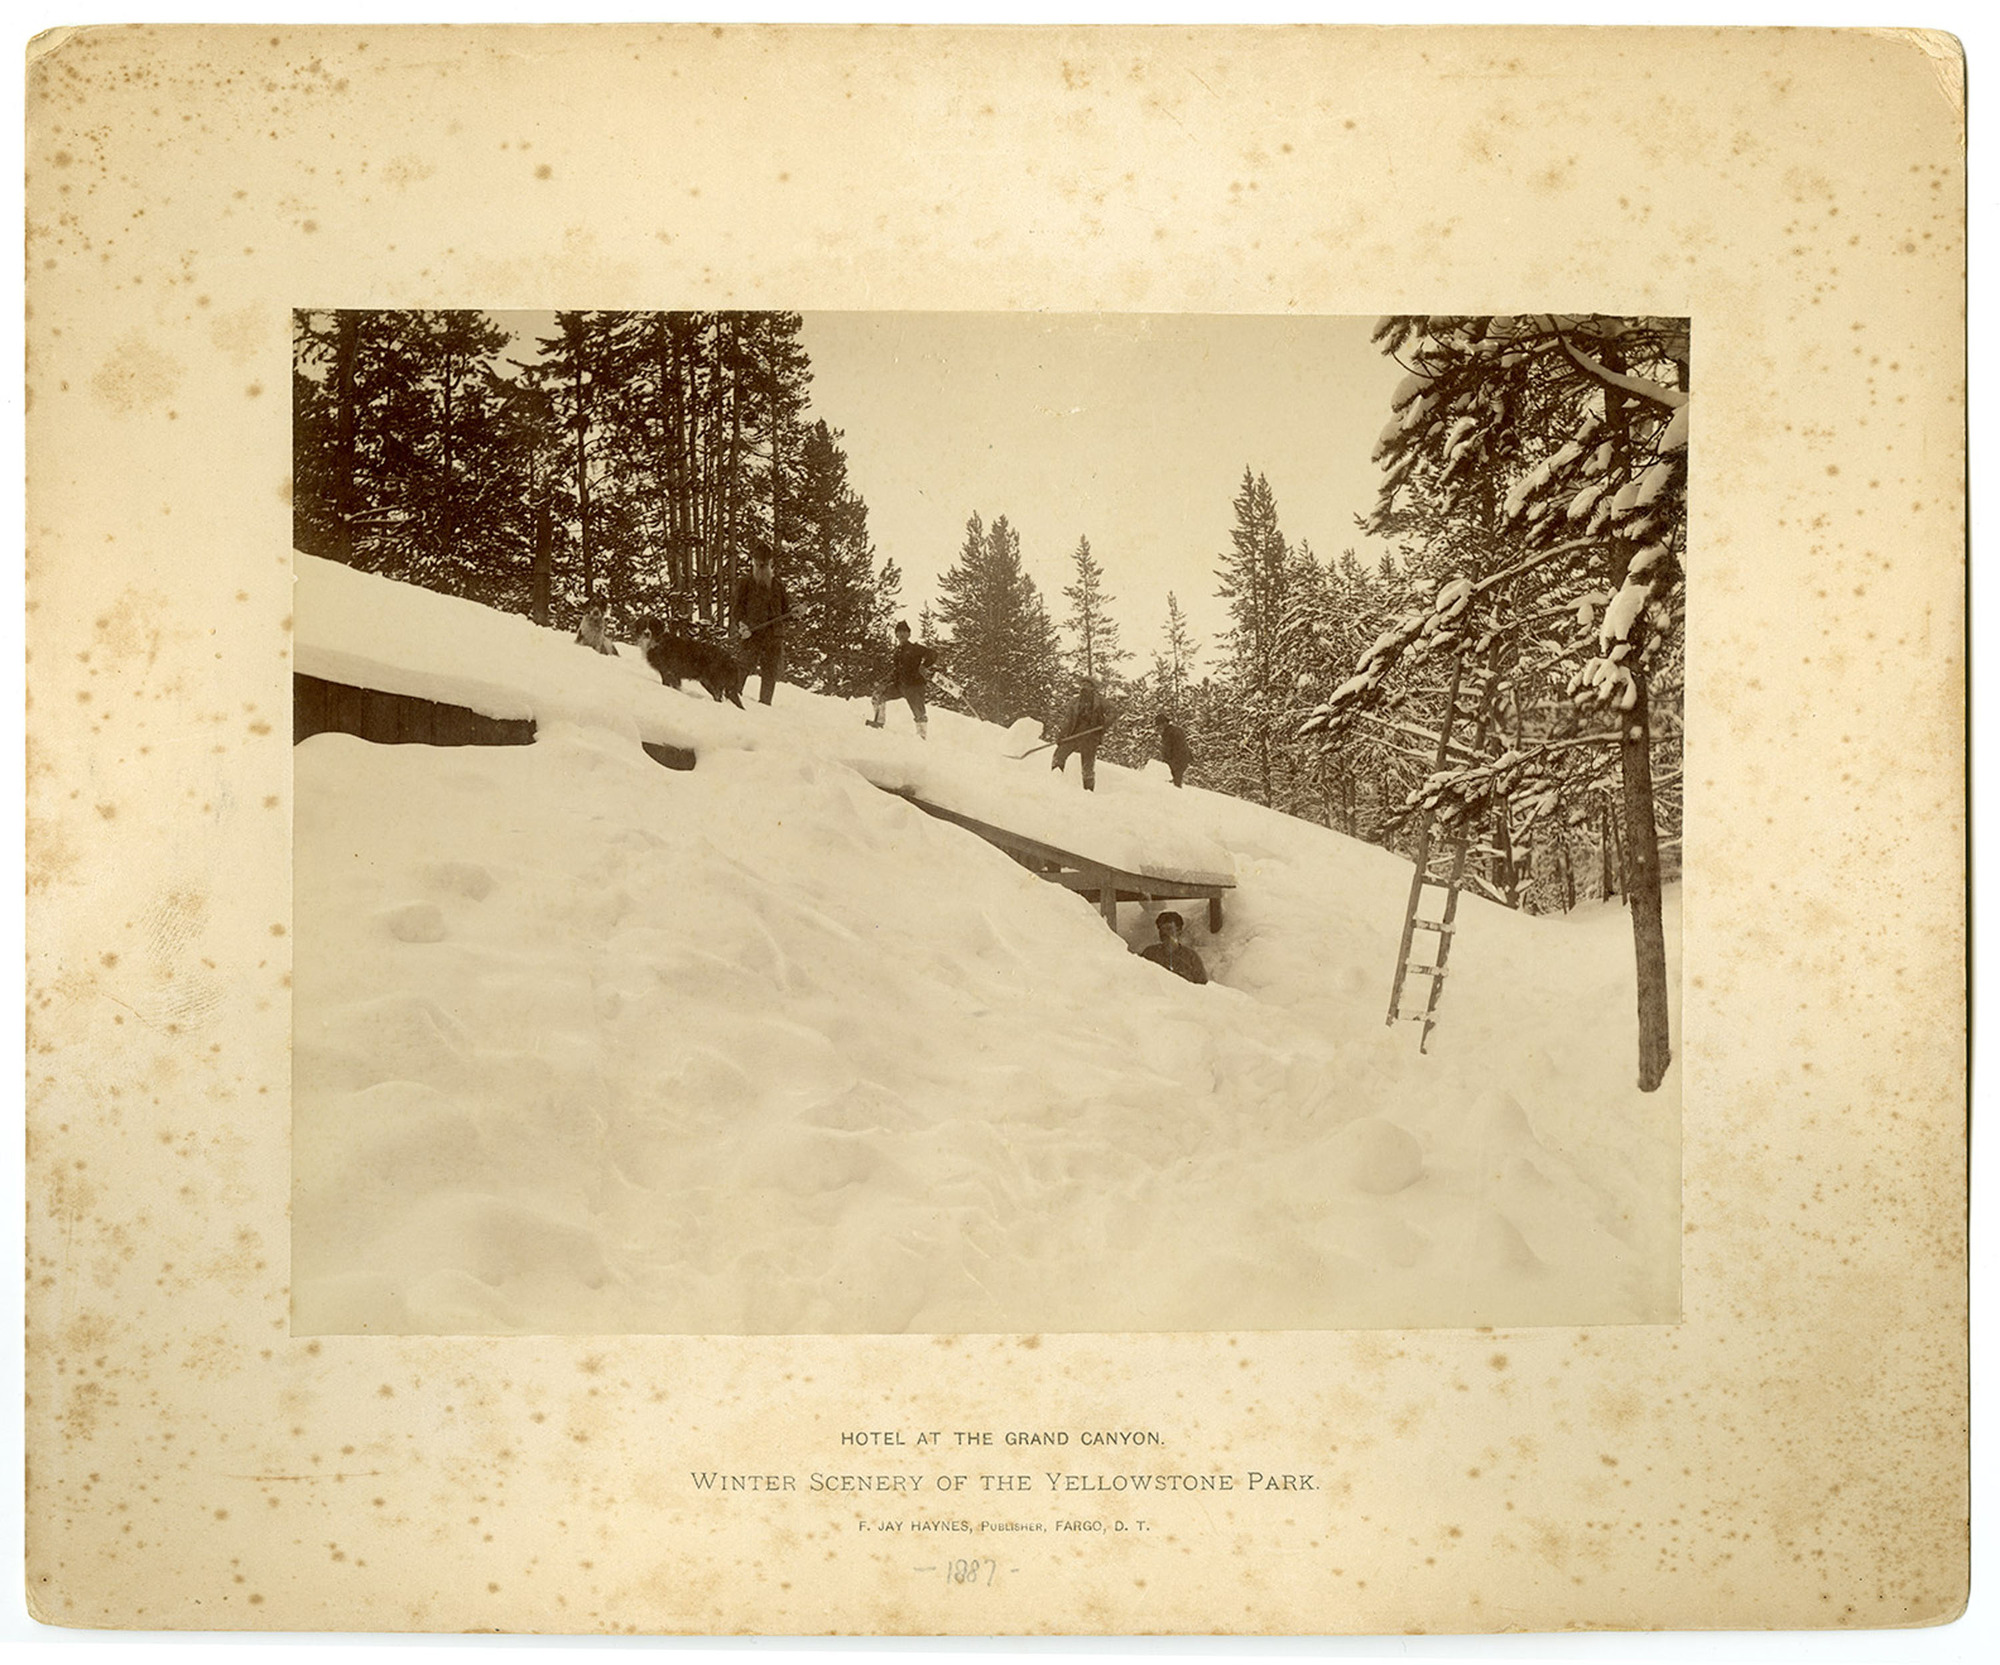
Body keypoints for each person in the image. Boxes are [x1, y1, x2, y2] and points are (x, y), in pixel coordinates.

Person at [731, 550, 790, 706]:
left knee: (770, 672)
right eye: (758, 564)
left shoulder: (778, 586)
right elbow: (737, 610)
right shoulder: (745, 583)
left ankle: (765, 705)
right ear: (753, 563)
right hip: (752, 633)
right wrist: (741, 626)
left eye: (764, 565)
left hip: (774, 636)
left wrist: (796, 612)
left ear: (771, 564)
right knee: (743, 665)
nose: (761, 568)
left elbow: (786, 611)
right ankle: (733, 699)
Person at [866, 620, 936, 739]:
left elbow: (933, 654)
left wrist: (924, 666)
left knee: (918, 712)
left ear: (909, 634)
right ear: (896, 635)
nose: (902, 634)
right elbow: (897, 671)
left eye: (904, 632)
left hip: (915, 685)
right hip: (900, 686)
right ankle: (879, 722)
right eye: (899, 632)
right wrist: (884, 681)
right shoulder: (897, 652)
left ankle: (922, 738)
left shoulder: (915, 648)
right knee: (878, 695)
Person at [1051, 677, 1111, 791]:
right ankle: (1055, 783)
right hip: (1074, 734)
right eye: (1082, 684)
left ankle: (1088, 792)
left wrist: (1103, 726)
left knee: (1087, 766)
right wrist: (1061, 735)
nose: (1083, 687)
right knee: (1059, 756)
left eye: (1087, 685)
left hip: (1090, 737)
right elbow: (1068, 720)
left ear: (1093, 688)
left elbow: (1114, 713)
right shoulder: (1074, 702)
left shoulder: (1100, 701)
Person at [1138, 911, 1208, 985]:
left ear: (1179, 931)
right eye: (1161, 929)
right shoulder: (1150, 953)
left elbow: (1202, 986)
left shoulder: (1191, 956)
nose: (1164, 932)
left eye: (1169, 928)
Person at [1156, 712, 1193, 788]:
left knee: (1176, 783)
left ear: (1165, 723)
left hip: (1177, 760)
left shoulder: (1168, 733)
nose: (1159, 728)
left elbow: (1168, 749)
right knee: (1176, 780)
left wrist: (1166, 760)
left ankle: (1176, 796)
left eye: (1160, 725)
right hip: (1184, 758)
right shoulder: (1176, 730)